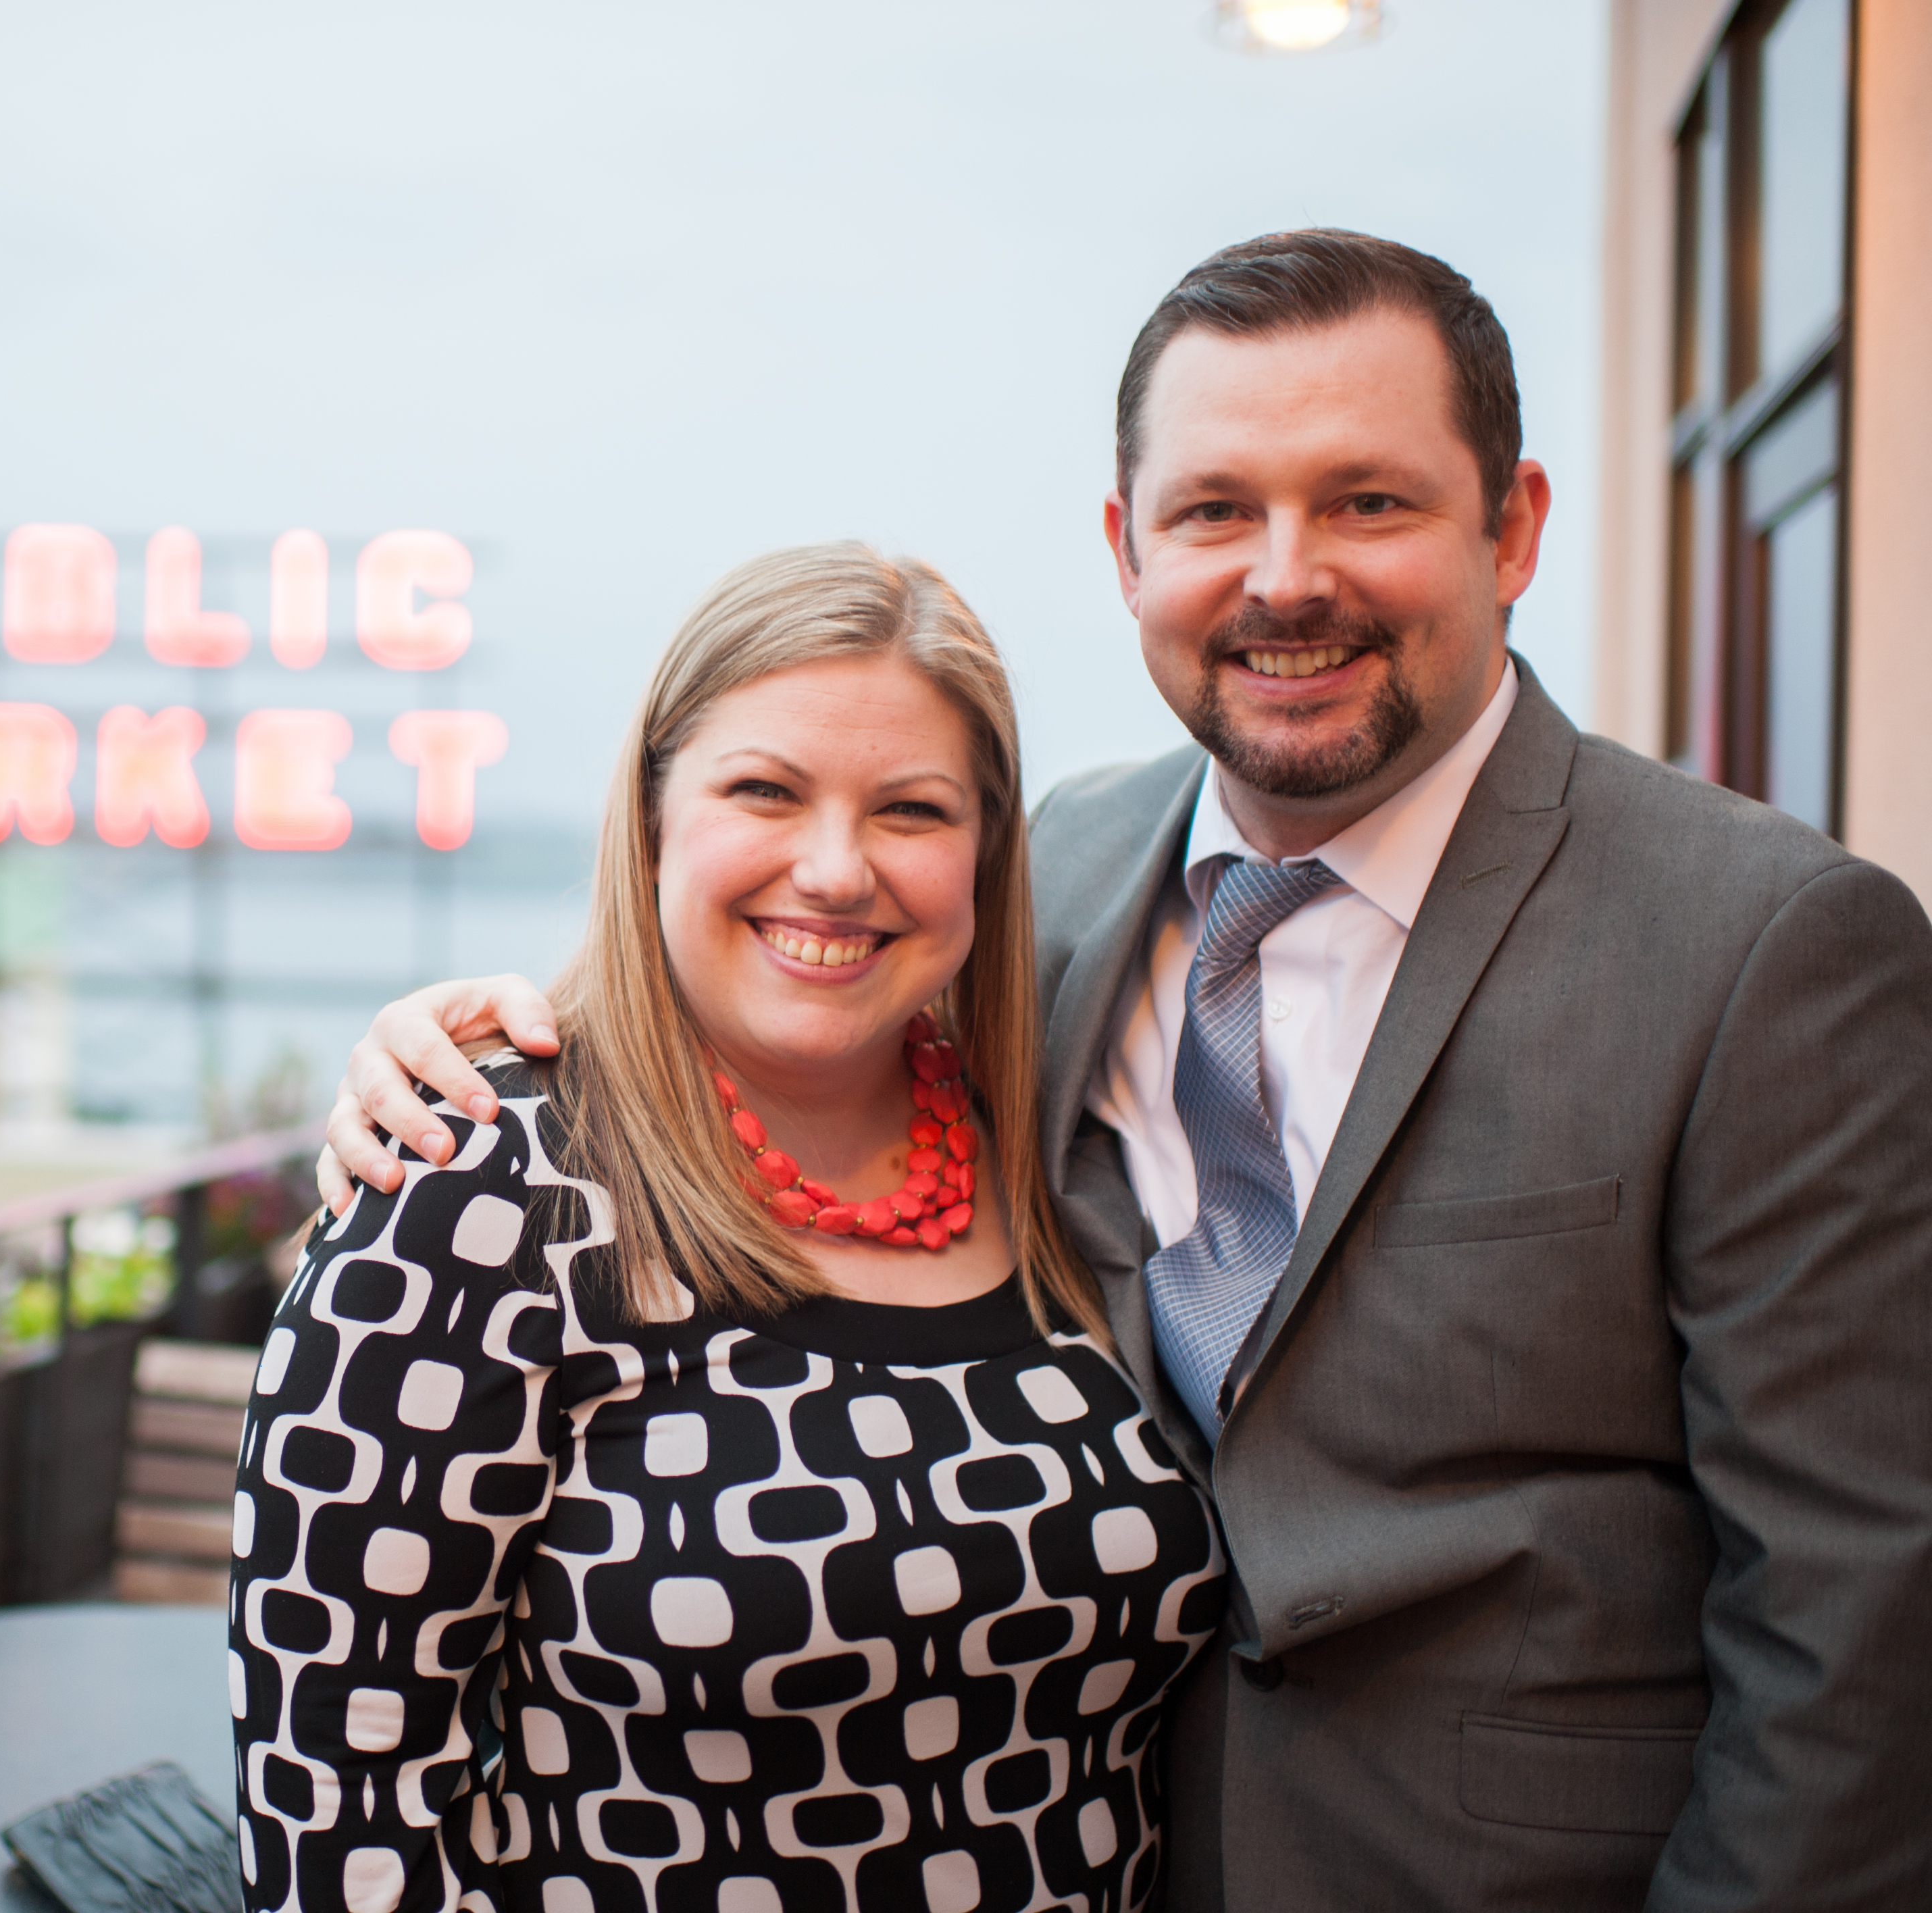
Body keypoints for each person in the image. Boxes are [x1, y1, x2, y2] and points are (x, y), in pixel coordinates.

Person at [313, 230, 1932, 1912]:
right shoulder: (1047, 887)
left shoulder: (1765, 943)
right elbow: (763, 985)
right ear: (1126, 547)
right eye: (1216, 510)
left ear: (1512, 527)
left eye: (1368, 502)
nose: (1285, 578)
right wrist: (452, 1039)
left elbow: (1859, 1609)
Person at [232, 546, 1227, 1913]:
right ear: (650, 816)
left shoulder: (1054, 1147)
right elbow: (339, 1816)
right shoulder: (477, 1194)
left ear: (986, 851)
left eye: (912, 810)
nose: (834, 869)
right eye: (764, 790)